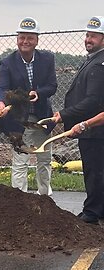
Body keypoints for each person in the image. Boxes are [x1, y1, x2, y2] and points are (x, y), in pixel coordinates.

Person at [0, 17, 57, 196]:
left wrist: (39, 93)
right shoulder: (8, 62)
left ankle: (45, 197)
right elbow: (2, 88)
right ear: (17, 39)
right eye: (22, 37)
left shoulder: (47, 59)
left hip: (42, 117)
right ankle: (19, 200)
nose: (25, 42)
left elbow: (52, 86)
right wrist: (1, 103)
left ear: (37, 40)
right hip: (19, 119)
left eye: (30, 38)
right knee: (21, 160)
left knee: (44, 159)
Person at [52, 16, 104, 225]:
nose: (88, 39)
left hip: (95, 130)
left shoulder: (99, 65)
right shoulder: (93, 60)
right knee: (96, 169)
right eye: (87, 35)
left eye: (93, 36)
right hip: (91, 128)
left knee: (94, 170)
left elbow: (92, 101)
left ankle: (91, 212)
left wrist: (64, 115)